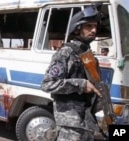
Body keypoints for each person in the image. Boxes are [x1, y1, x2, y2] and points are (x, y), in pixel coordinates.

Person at [41, 6, 103, 141]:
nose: (94, 30)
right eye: (89, 26)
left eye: (95, 27)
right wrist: (81, 84)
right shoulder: (66, 53)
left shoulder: (89, 56)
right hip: (70, 125)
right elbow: (47, 84)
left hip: (87, 122)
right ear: (77, 28)